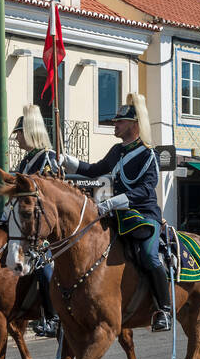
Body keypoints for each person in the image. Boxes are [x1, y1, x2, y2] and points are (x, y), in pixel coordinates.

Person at [61, 94, 171, 331]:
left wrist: (114, 202)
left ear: (133, 124)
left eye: (119, 122)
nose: (115, 125)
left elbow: (146, 188)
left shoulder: (147, 154)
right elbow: (95, 170)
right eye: (115, 122)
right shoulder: (115, 151)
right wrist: (71, 163)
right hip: (119, 215)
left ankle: (164, 308)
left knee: (149, 256)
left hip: (144, 215)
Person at [7, 105, 61, 336]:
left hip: (44, 227)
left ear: (29, 133)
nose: (17, 137)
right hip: (25, 224)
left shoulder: (47, 158)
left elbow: (50, 195)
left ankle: (52, 317)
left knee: (44, 267)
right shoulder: (24, 163)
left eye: (19, 133)